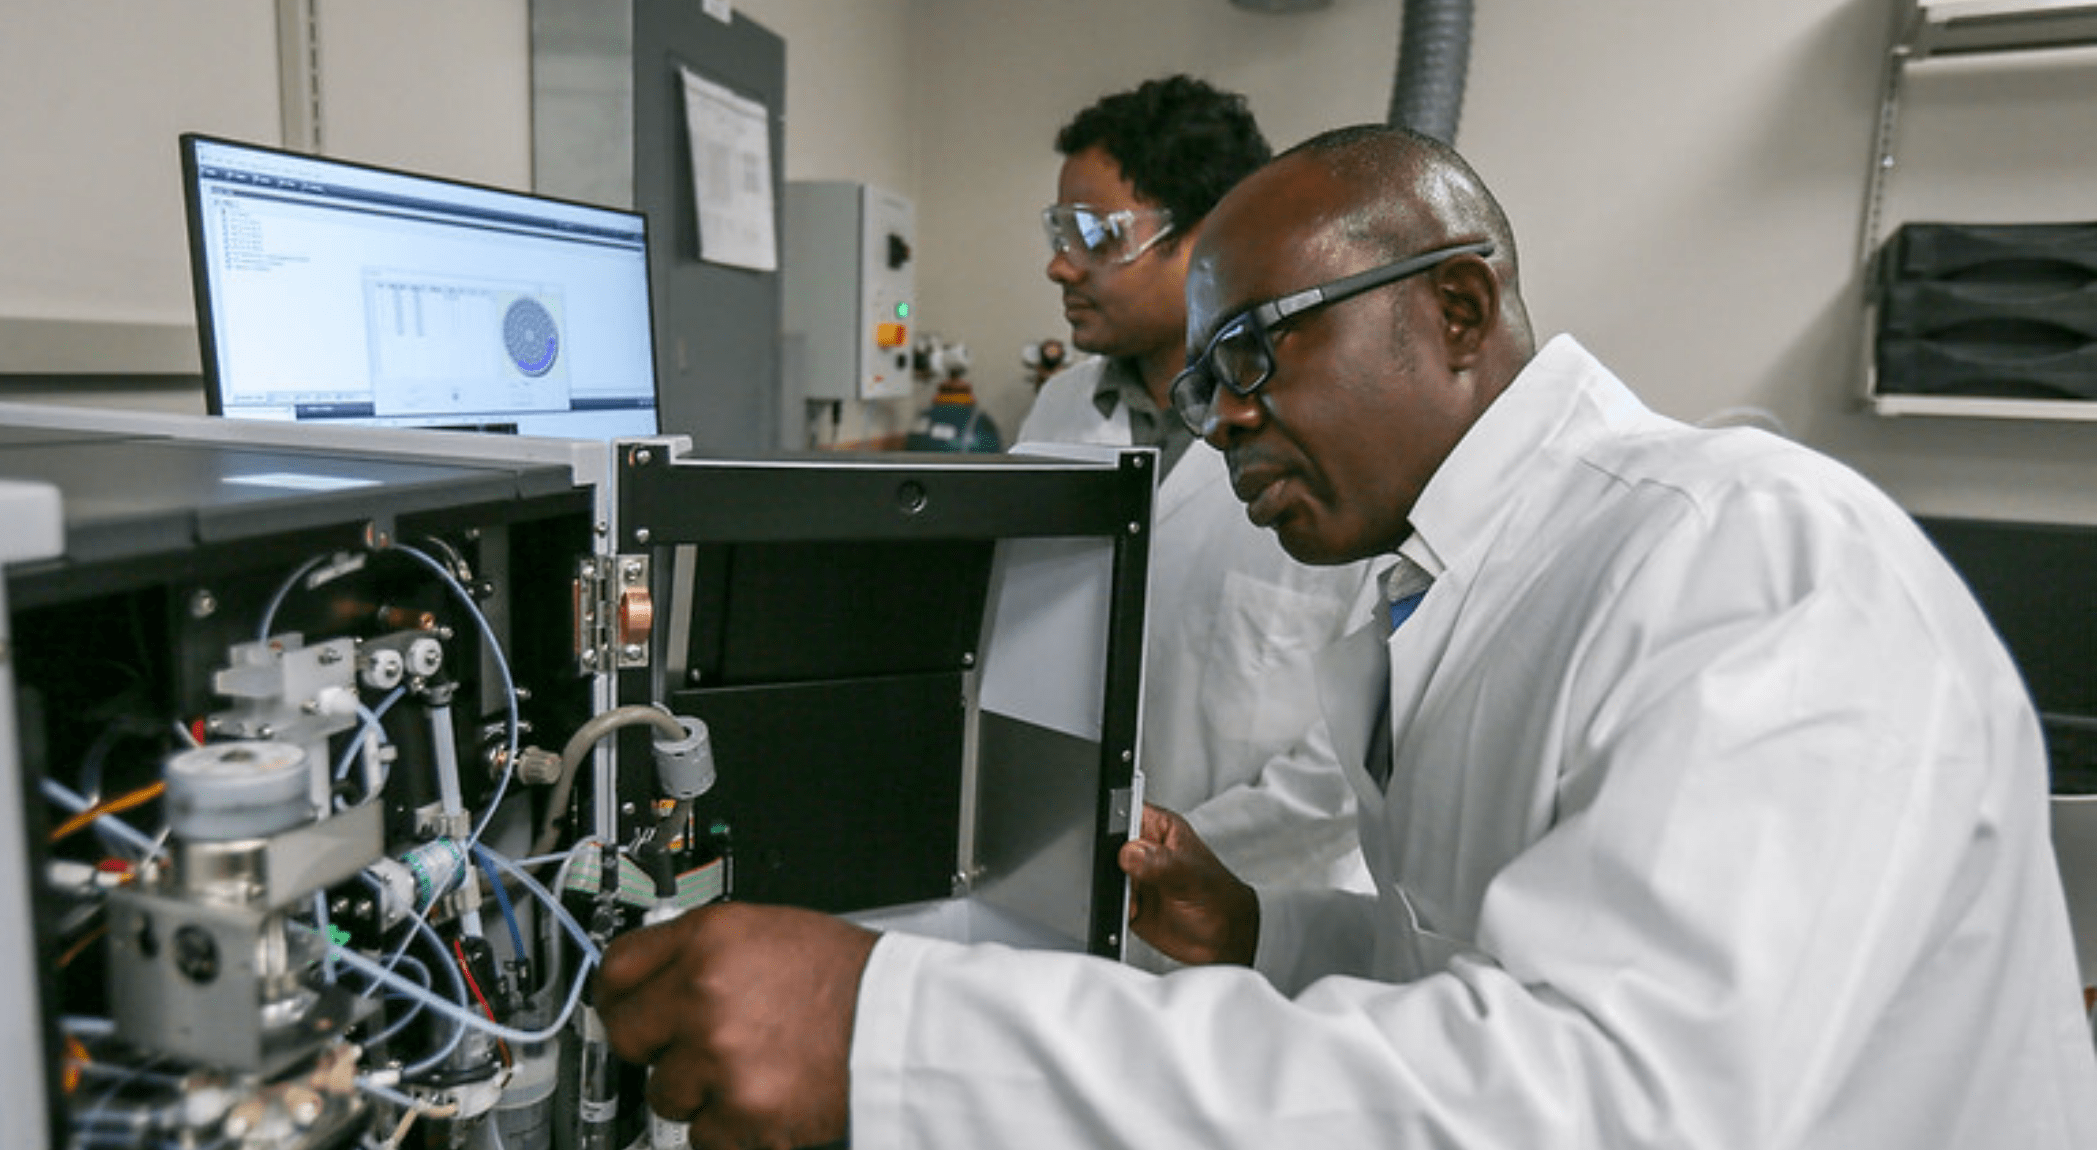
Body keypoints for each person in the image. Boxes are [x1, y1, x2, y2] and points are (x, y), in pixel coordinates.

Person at [594, 125, 2097, 1149]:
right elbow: (1490, 965)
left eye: (1254, 353)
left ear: (1456, 308)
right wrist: (1272, 931)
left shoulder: (1751, 558)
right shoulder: (1450, 586)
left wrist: (897, 1032)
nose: (1221, 419)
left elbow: (1613, 1100)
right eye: (1201, 385)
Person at [1023, 75, 1374, 894]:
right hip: (1064, 876)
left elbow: (1360, 750)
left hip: (1270, 910)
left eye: (1095, 234)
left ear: (1210, 238)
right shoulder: (1058, 412)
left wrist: (1171, 857)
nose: (1059, 265)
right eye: (1058, 231)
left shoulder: (1333, 438)